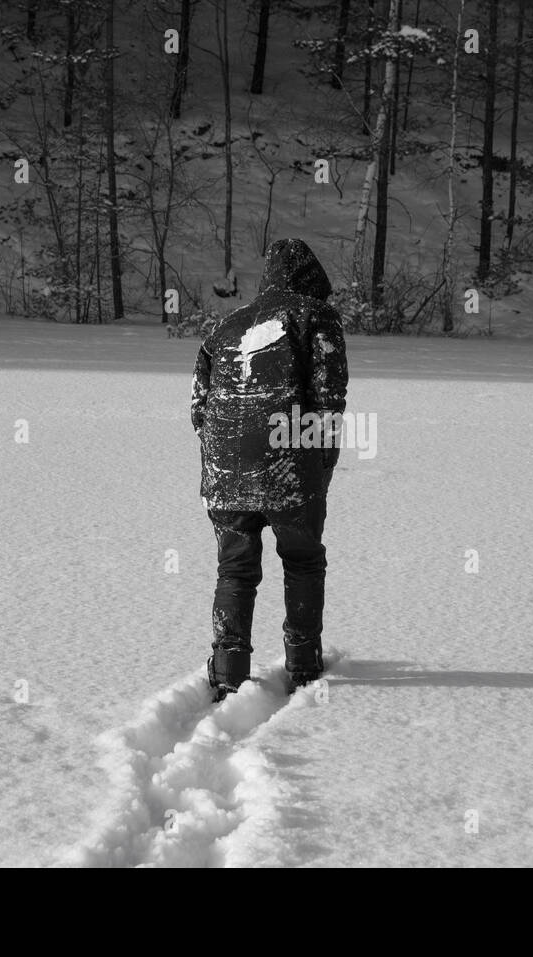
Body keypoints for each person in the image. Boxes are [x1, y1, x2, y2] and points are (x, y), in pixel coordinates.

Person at [189, 239, 349, 701]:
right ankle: (302, 661)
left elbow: (198, 407)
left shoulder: (225, 325)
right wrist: (322, 462)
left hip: (224, 469)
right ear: (311, 281)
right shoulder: (315, 317)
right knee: (302, 558)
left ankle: (227, 668)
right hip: (287, 459)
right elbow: (328, 400)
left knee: (234, 570)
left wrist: (224, 447)